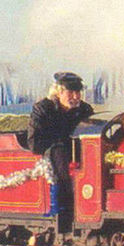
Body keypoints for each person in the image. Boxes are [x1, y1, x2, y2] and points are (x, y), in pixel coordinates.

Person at [28, 72, 94, 215]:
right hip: (54, 158)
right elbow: (34, 143)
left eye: (78, 93)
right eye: (71, 93)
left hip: (80, 155)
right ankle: (61, 203)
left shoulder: (84, 109)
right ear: (59, 92)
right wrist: (59, 141)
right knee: (59, 150)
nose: (76, 97)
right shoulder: (43, 109)